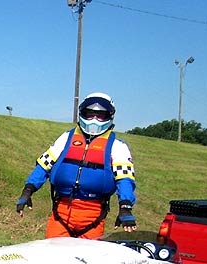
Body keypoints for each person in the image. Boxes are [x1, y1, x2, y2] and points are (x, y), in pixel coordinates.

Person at [16, 92, 137, 238]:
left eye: (100, 115)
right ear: (82, 113)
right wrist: (28, 190)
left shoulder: (117, 146)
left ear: (109, 116)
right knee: (51, 257)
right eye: (89, 114)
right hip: (61, 211)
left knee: (85, 260)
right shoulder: (66, 138)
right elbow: (44, 165)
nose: (94, 120)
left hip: (93, 215)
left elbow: (124, 179)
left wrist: (125, 206)